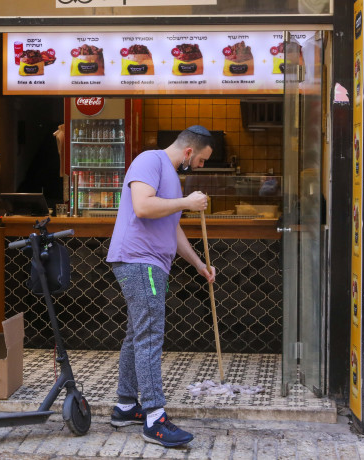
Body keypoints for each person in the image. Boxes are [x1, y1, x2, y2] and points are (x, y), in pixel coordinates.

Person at [106, 125, 217, 448]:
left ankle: (126, 406)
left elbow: (172, 229)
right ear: (188, 152)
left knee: (137, 334)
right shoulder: (149, 161)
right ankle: (155, 418)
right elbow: (142, 206)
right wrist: (186, 201)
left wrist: (199, 265)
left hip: (149, 263)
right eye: (202, 160)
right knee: (150, 335)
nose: (202, 165)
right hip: (140, 262)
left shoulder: (169, 174)